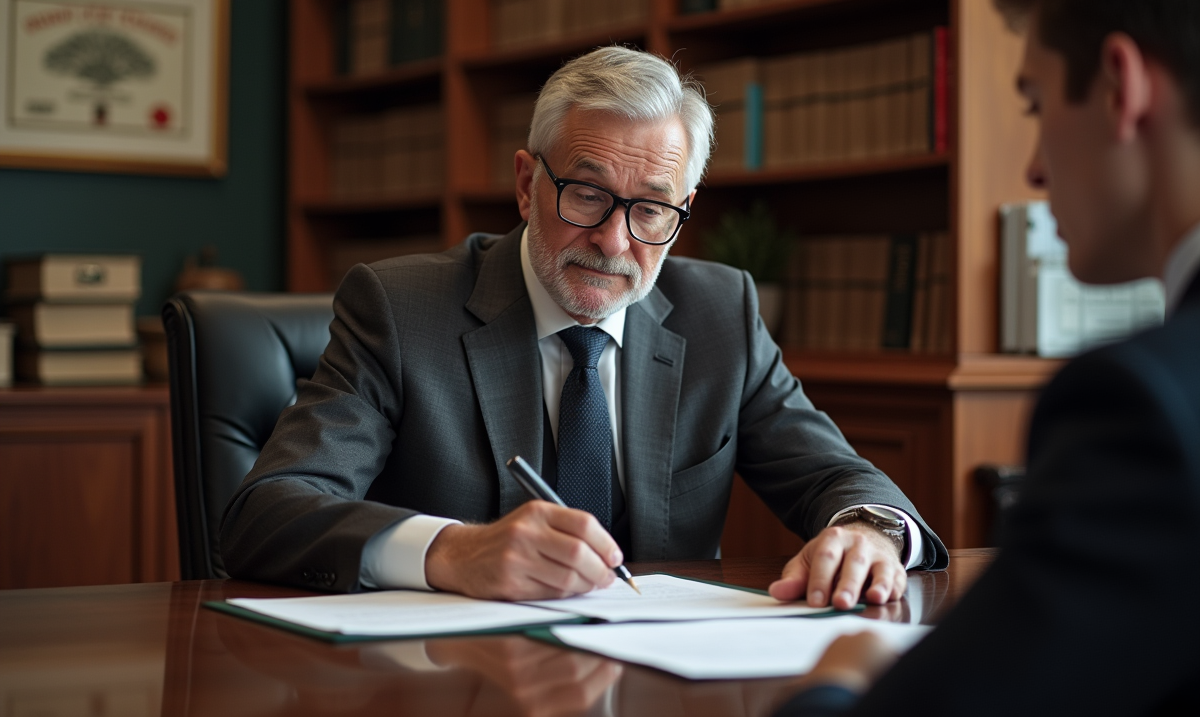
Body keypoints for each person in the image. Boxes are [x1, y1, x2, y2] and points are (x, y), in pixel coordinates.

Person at [220, 46, 947, 605]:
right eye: (587, 194)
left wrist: (869, 533)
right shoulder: (399, 309)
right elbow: (267, 515)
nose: (614, 242)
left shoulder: (721, 314)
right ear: (526, 184)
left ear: (683, 207)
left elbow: (837, 474)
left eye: (651, 209)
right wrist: (451, 551)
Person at [776, 0, 1200, 714]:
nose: (1035, 165)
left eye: (1035, 103)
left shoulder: (1149, 407)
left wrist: (838, 679)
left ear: (1120, 86)